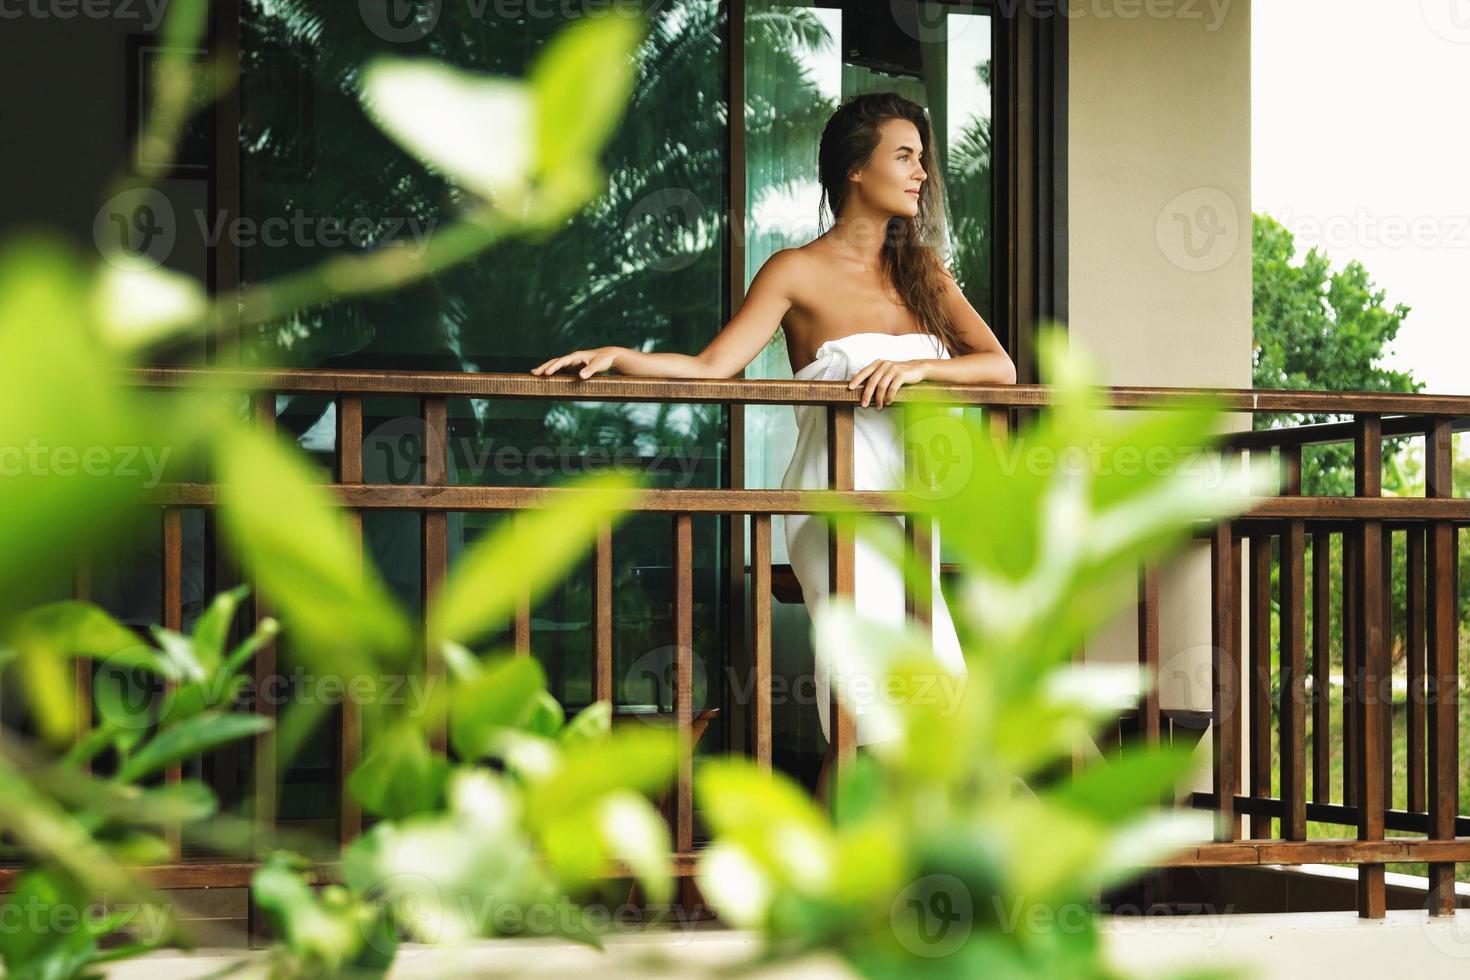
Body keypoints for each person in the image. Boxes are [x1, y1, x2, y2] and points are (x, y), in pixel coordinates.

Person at [530, 92, 1016, 796]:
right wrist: (620, 355)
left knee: (922, 700)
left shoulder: (924, 275)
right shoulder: (796, 270)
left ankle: (861, 871)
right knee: (873, 705)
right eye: (904, 157)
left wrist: (920, 365)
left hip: (910, 511)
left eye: (923, 161)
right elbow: (710, 369)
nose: (921, 175)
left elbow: (997, 366)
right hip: (833, 505)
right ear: (856, 169)